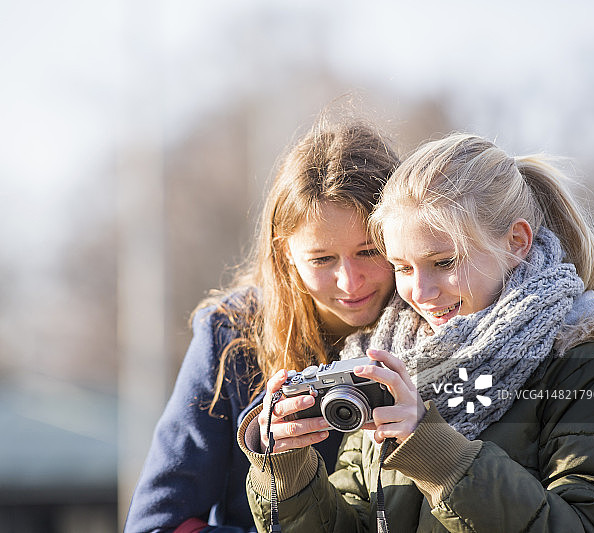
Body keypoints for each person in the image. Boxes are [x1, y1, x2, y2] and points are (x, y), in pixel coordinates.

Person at [238, 133, 594, 532]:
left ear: (517, 242)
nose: (420, 292)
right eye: (402, 267)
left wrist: (435, 451)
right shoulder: (388, 364)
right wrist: (288, 472)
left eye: (444, 262)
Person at [123, 110, 401, 532]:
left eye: (368, 251)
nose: (350, 280)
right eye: (322, 259)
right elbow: (156, 523)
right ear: (285, 252)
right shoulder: (232, 336)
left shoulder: (454, 327)